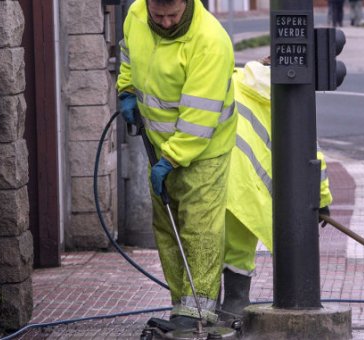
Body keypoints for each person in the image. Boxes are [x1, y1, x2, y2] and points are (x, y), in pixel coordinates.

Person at [116, 0, 237, 329]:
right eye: (159, 15)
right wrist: (126, 89)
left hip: (204, 151)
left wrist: (170, 160)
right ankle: (180, 305)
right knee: (167, 230)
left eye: (173, 15)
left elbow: (199, 120)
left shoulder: (210, 41)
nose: (166, 23)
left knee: (200, 231)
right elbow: (129, 53)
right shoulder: (137, 14)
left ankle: (199, 311)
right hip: (158, 145)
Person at [220, 59, 333, 319]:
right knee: (238, 253)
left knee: (207, 247)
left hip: (212, 178)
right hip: (247, 192)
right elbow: (311, 156)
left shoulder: (233, 79)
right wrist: (321, 199)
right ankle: (234, 309)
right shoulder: (290, 98)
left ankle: (204, 311)